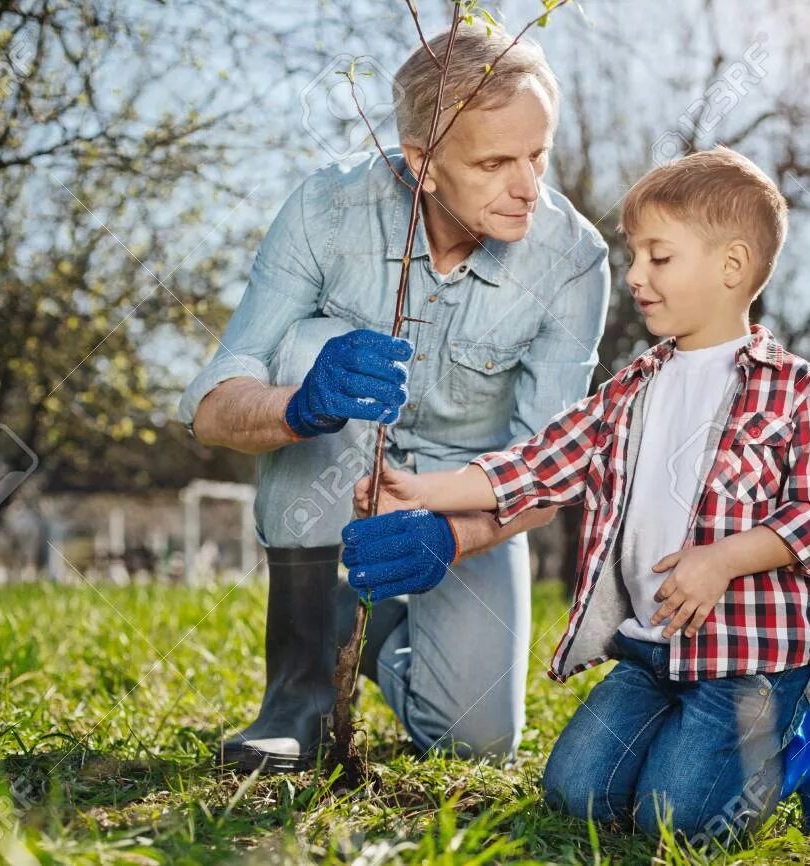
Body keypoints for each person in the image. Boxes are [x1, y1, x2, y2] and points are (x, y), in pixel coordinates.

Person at [342, 147, 810, 840]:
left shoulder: (794, 389)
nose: (636, 276)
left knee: (680, 826)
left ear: (731, 267)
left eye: (659, 257)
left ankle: (808, 739)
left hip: (751, 666)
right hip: (654, 653)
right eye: (633, 257)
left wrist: (724, 559)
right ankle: (678, 743)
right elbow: (537, 465)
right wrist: (420, 490)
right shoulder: (631, 389)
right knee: (575, 795)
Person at [178, 24, 610, 773]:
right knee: (310, 343)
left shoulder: (573, 262)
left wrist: (450, 535)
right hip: (334, 463)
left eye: (538, 154)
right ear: (423, 164)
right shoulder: (326, 210)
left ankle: (371, 632)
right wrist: (298, 406)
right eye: (495, 162)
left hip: (464, 490)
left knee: (475, 742)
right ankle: (299, 697)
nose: (529, 187)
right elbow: (211, 404)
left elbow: (553, 465)